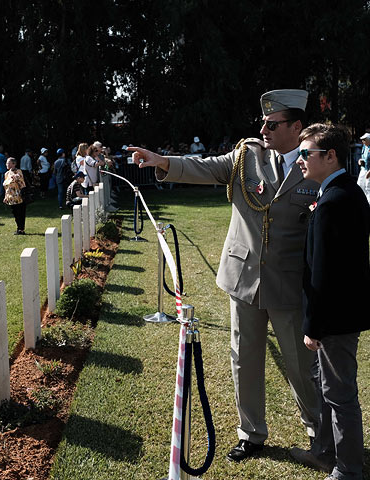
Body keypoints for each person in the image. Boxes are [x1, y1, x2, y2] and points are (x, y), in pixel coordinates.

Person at [131, 89, 321, 462]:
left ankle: (318, 432)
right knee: (244, 358)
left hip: (289, 281)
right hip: (244, 276)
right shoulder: (246, 156)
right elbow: (207, 167)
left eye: (273, 123)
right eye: (263, 122)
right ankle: (251, 433)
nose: (264, 128)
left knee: (300, 364)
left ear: (296, 127)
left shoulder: (314, 166)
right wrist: (163, 161)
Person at [289, 124, 370, 480]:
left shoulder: (335, 199)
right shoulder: (344, 190)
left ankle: (348, 469)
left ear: (330, 155)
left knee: (339, 395)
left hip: (335, 318)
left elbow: (324, 272)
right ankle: (324, 451)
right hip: (341, 312)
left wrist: (314, 326)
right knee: (326, 385)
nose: (301, 159)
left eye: (307, 153)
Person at [3, 157, 27, 234]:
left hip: (18, 197)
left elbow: (22, 183)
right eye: (7, 163)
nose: (7, 164)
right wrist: (5, 197)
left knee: (20, 213)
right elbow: (6, 187)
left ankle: (21, 229)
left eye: (8, 163)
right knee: (15, 213)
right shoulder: (6, 174)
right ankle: (18, 228)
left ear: (14, 164)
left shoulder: (18, 172)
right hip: (11, 198)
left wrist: (16, 177)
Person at [358, 133, 370, 204]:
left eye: (364, 140)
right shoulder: (364, 147)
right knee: (360, 185)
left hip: (369, 170)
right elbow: (363, 157)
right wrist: (360, 160)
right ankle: (362, 203)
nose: (363, 141)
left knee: (368, 187)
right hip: (363, 169)